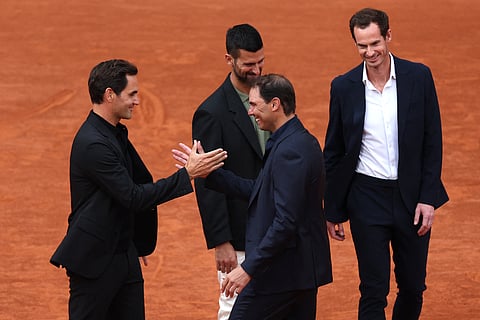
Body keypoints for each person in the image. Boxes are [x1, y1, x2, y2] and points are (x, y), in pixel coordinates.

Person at [50, 59, 227, 320]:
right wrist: (187, 174)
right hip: (94, 262)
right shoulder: (93, 144)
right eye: (131, 94)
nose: (137, 101)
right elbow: (132, 196)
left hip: (123, 253)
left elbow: (134, 187)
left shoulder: (114, 133)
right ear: (109, 95)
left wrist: (136, 241)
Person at [323, 8, 449, 320]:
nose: (370, 52)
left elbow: (433, 141)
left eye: (375, 43)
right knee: (373, 289)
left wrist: (428, 197)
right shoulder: (343, 86)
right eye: (362, 45)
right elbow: (334, 150)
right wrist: (333, 210)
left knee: (413, 286)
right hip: (366, 197)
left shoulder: (418, 77)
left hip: (411, 198)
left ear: (388, 36)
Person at [176, 74, 332, 319]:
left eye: (254, 105)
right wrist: (208, 174)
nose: (250, 112)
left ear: (275, 104)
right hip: (292, 272)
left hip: (282, 275)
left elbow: (285, 221)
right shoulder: (289, 141)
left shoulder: (291, 150)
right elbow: (260, 191)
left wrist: (247, 268)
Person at [191, 23, 269, 319]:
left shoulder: (272, 96)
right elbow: (206, 179)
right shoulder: (212, 112)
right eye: (249, 64)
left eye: (261, 62)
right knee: (234, 310)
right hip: (238, 235)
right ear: (229, 60)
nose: (257, 70)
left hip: (274, 228)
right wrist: (221, 240)